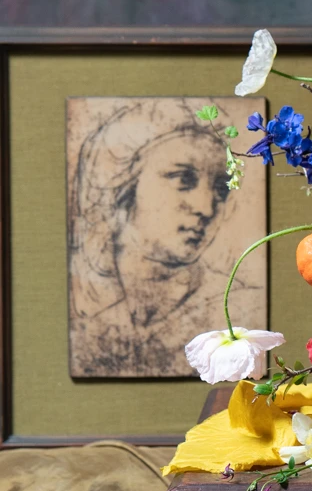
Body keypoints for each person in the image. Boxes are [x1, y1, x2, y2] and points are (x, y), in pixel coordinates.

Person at [68, 99, 263, 377]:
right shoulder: (92, 329)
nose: (206, 208)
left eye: (221, 188)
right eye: (183, 179)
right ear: (122, 188)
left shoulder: (239, 313)